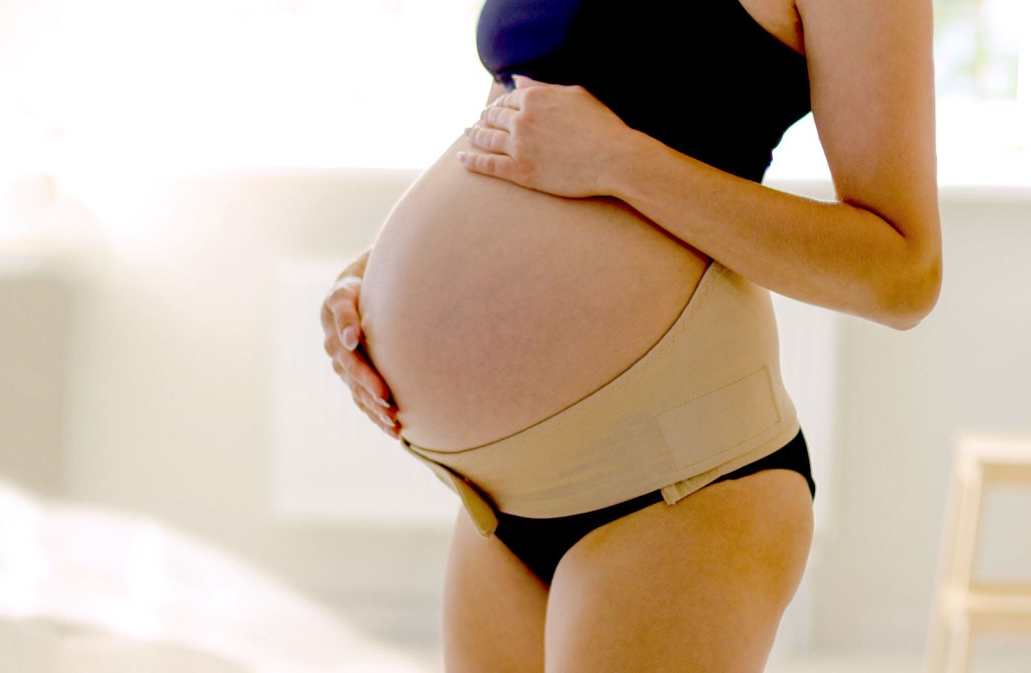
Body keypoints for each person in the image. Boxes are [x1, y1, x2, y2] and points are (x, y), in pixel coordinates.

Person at [320, 0, 942, 669]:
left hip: (674, 480)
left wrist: (619, 162)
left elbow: (903, 272)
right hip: (501, 500)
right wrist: (375, 274)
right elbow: (519, 125)